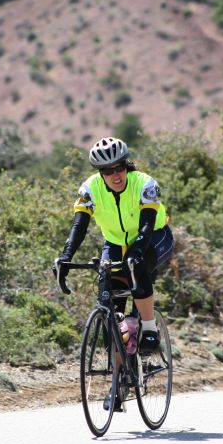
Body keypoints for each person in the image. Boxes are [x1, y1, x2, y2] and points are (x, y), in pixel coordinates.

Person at [54, 136, 175, 361]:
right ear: (100, 173)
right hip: (116, 243)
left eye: (119, 168)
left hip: (155, 237)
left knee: (135, 264)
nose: (115, 175)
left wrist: (137, 251)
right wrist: (65, 257)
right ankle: (118, 384)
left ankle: (149, 329)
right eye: (107, 171)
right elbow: (79, 225)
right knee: (109, 297)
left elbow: (147, 225)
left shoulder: (144, 183)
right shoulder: (89, 189)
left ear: (126, 165)